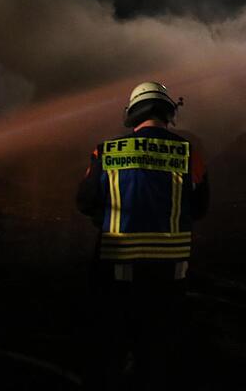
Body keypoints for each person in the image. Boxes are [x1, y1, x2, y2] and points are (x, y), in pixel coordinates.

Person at [76, 81, 209, 388]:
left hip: (115, 270)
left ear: (132, 113)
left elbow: (84, 202)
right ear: (168, 113)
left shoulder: (106, 151)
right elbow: (199, 208)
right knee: (157, 353)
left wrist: (108, 217)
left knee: (111, 347)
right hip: (170, 273)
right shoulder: (190, 154)